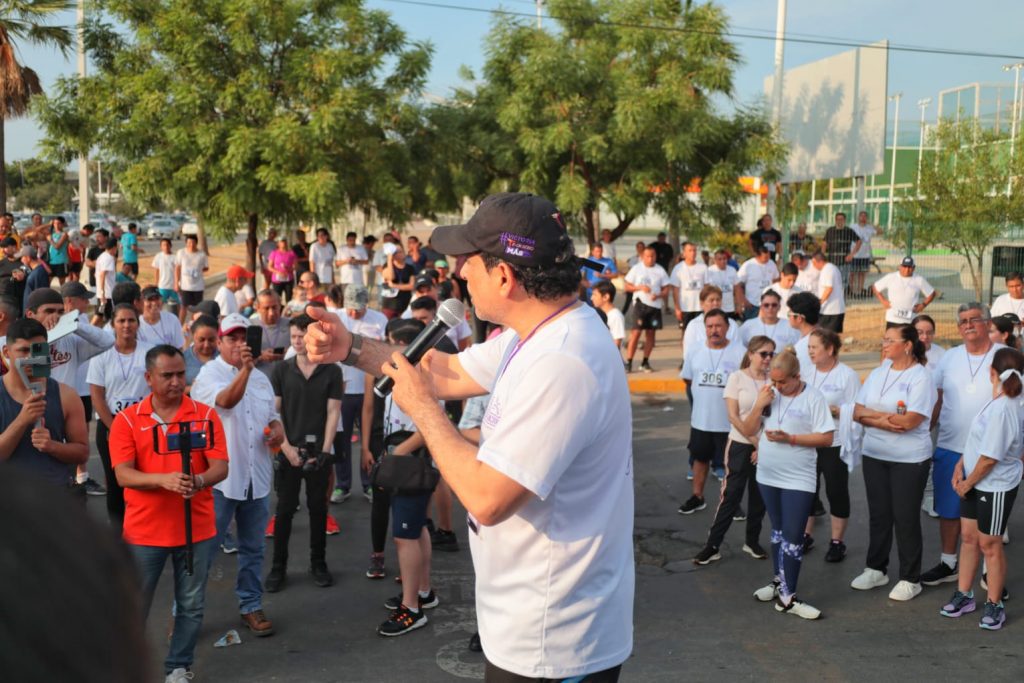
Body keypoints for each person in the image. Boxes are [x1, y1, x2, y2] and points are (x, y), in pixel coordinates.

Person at [306, 192, 634, 680]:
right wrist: (349, 347)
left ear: (504, 276)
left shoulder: (562, 362)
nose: (458, 273)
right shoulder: (537, 332)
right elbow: (444, 371)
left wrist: (422, 409)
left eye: (468, 260)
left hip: (555, 637)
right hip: (530, 620)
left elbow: (487, 499)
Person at [108, 345, 229, 682]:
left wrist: (199, 480)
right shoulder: (127, 420)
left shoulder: (205, 415)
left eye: (180, 374)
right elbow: (122, 474)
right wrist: (163, 480)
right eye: (167, 375)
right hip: (144, 533)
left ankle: (178, 666)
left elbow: (220, 466)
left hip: (196, 531)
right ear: (149, 378)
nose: (176, 382)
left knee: (191, 605)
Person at [191, 314, 284, 635]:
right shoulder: (209, 374)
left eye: (244, 337)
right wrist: (246, 369)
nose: (240, 344)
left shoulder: (261, 379)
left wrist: (277, 431)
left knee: (253, 550)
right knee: (203, 552)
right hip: (220, 482)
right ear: (219, 342)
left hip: (256, 478)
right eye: (232, 338)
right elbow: (226, 402)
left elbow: (272, 418)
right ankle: (186, 612)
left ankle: (251, 605)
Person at [742, 348, 835, 619]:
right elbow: (748, 430)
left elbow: (826, 438)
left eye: (782, 381)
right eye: (774, 380)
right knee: (778, 531)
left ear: (797, 376)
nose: (777, 386)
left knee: (794, 535)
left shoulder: (813, 397)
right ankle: (779, 582)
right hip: (768, 474)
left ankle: (787, 598)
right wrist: (759, 404)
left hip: (798, 477)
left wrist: (790, 439)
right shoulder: (769, 394)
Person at [851, 324, 937, 601]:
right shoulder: (879, 373)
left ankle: (911, 579)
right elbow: (856, 411)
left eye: (890, 340)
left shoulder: (921, 377)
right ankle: (876, 569)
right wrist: (886, 420)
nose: (884, 344)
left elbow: (910, 421)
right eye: (884, 339)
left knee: (905, 517)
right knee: (879, 515)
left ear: (907, 345)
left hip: (909, 459)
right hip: (875, 454)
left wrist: (873, 416)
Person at [940, 348, 1024, 630]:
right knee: (968, 538)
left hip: (994, 485)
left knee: (990, 544)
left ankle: (994, 604)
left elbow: (990, 457)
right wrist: (961, 464)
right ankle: (964, 595)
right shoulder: (997, 399)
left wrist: (967, 482)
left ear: (992, 373)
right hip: (976, 480)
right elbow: (977, 441)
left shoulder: (1006, 406)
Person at [924, 303, 1004, 589]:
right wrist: (925, 432)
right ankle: (948, 563)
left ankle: (988, 571)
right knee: (949, 510)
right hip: (950, 445)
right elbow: (937, 398)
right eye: (962, 321)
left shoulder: (1005, 356)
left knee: (986, 517)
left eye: (974, 319)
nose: (968, 325)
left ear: (988, 323)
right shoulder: (950, 357)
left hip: (991, 452)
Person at [267, 314, 342, 591]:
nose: (297, 342)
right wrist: (286, 448)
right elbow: (274, 413)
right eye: (294, 337)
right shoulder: (281, 370)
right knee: (284, 511)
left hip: (318, 452)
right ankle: (278, 567)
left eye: (302, 336)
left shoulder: (332, 371)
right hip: (288, 451)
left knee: (318, 509)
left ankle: (318, 563)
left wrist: (324, 451)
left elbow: (333, 412)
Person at [692, 335, 774, 565]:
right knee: (731, 495)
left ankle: (752, 541)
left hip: (766, 446)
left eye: (771, 354)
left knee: (759, 496)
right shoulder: (737, 378)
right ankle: (713, 545)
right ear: (751, 354)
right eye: (764, 354)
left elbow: (775, 417)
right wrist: (755, 442)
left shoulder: (774, 380)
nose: (768, 358)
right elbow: (733, 416)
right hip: (740, 443)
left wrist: (763, 444)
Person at [30, 285, 115, 495]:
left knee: (61, 483)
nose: (55, 316)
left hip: (62, 420)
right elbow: (34, 369)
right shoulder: (17, 343)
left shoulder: (71, 340)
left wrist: (72, 324)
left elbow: (108, 341)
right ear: (30, 315)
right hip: (30, 418)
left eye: (60, 312)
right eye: (49, 311)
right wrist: (44, 336)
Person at [0, 317, 89, 490]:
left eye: (37, 350)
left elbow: (82, 454)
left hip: (54, 495)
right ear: (6, 351)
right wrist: (22, 420)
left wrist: (52, 446)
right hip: (8, 498)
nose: (31, 357)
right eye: (23, 350)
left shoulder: (66, 395)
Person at [88, 304, 155, 534]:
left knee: (146, 478)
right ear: (113, 324)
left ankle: (144, 530)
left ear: (138, 323)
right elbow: (97, 395)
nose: (127, 325)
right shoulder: (101, 354)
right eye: (121, 321)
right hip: (111, 423)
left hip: (144, 423)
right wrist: (115, 427)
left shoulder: (150, 352)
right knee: (116, 481)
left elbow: (156, 389)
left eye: (131, 320)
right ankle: (117, 534)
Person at [679, 309, 746, 515]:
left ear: (727, 327)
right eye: (709, 326)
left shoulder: (740, 352)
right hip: (702, 420)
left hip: (729, 421)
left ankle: (731, 503)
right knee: (700, 459)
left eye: (718, 326)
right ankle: (697, 497)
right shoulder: (695, 350)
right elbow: (688, 378)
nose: (714, 330)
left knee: (730, 465)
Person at [803, 328, 861, 561]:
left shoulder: (847, 375)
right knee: (808, 489)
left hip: (834, 442)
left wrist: (837, 411)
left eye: (814, 347)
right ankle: (806, 535)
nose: (810, 352)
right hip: (808, 442)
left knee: (836, 491)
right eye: (808, 347)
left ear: (830, 349)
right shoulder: (806, 373)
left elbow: (856, 409)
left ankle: (837, 541)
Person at [331, 285, 387, 504]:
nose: (353, 313)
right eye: (350, 308)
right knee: (341, 440)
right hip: (342, 390)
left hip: (369, 390)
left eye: (358, 309)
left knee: (370, 440)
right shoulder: (336, 318)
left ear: (367, 305)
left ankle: (369, 483)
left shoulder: (379, 319)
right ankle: (342, 485)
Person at [623, 244, 670, 373]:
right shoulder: (637, 269)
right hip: (640, 304)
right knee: (636, 333)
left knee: (651, 334)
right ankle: (629, 362)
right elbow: (626, 286)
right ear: (643, 257)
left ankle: (645, 362)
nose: (650, 259)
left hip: (654, 306)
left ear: (656, 256)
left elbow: (666, 289)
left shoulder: (660, 270)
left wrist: (659, 295)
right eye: (648, 256)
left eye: (652, 256)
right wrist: (639, 287)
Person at [873, 257, 936, 327]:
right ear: (900, 266)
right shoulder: (891, 277)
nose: (907, 269)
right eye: (904, 266)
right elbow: (875, 287)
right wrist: (883, 301)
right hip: (892, 319)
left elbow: (932, 293)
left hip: (910, 319)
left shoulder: (919, 280)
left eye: (909, 267)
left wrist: (923, 305)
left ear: (914, 268)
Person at [681, 285, 740, 354]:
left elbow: (737, 349)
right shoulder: (693, 325)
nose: (715, 303)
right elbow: (688, 352)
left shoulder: (732, 324)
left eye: (718, 300)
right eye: (711, 300)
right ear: (702, 304)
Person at [670, 241, 708, 332]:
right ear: (684, 253)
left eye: (694, 250)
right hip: (685, 307)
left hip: (700, 307)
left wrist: (707, 305)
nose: (693, 253)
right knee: (686, 332)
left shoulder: (703, 267)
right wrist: (677, 308)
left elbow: (707, 288)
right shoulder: (678, 268)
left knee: (701, 332)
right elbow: (675, 290)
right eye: (690, 250)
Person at [254, 289, 290, 377]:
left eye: (274, 307)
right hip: (259, 380)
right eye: (266, 308)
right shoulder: (249, 326)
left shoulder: (291, 325)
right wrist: (260, 356)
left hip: (286, 379)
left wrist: (290, 353)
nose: (271, 313)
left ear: (280, 305)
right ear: (257, 308)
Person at [174, 235, 209, 323]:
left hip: (198, 286)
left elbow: (206, 267)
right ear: (186, 243)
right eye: (189, 242)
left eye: (193, 242)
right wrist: (176, 283)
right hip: (185, 286)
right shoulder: (181, 253)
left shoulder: (202, 254)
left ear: (196, 243)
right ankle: (179, 326)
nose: (191, 245)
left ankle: (193, 325)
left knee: (197, 308)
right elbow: (177, 268)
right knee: (183, 306)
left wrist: (197, 271)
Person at [823, 212, 861, 290]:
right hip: (831, 261)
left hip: (844, 261)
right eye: (838, 219)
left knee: (843, 282)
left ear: (845, 220)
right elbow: (824, 244)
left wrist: (852, 255)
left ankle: (842, 296)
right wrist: (822, 256)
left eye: (841, 219)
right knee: (830, 281)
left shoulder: (849, 231)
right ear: (835, 220)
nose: (839, 221)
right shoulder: (830, 230)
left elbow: (859, 241)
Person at [785, 291, 821, 376]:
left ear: (799, 318)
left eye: (789, 314)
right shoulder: (822, 336)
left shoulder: (804, 346)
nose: (788, 317)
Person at [811, 251, 846, 333]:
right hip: (834, 310)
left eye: (814, 263)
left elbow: (829, 288)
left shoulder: (827, 270)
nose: (813, 266)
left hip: (830, 311)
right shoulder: (832, 268)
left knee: (825, 335)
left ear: (819, 261)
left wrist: (819, 303)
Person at [381, 243, 415, 319]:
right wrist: (389, 260)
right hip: (389, 304)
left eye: (401, 251)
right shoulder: (387, 266)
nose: (400, 254)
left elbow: (411, 286)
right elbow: (391, 277)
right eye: (396, 252)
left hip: (404, 303)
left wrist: (394, 285)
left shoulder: (410, 268)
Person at [183, 315, 219, 388]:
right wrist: (194, 388)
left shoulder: (225, 357)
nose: (206, 345)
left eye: (211, 340)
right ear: (193, 336)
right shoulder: (183, 359)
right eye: (201, 340)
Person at [706, 248, 742, 318]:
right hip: (715, 307)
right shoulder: (709, 271)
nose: (722, 261)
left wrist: (738, 305)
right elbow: (707, 290)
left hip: (729, 307)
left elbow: (737, 289)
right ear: (715, 260)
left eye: (724, 259)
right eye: (720, 259)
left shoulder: (732, 270)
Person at [591, 280, 625, 351]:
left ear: (606, 297)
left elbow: (617, 343)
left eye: (595, 295)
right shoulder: (597, 313)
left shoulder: (616, 316)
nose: (592, 298)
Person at [850, 211, 877, 296]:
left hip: (865, 255)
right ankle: (851, 290)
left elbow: (880, 231)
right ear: (858, 217)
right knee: (852, 273)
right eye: (861, 216)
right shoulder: (853, 226)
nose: (863, 218)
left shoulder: (870, 228)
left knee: (862, 273)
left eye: (865, 216)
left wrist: (872, 224)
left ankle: (860, 289)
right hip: (854, 254)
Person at [151, 238, 180, 307]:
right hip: (162, 286)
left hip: (173, 286)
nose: (166, 247)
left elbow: (178, 271)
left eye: (167, 245)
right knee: (160, 304)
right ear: (161, 247)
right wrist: (156, 283)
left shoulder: (175, 257)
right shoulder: (158, 256)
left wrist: (177, 284)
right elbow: (157, 271)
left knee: (178, 304)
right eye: (163, 245)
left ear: (170, 245)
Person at [266, 237, 297, 301]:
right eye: (281, 242)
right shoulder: (274, 253)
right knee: (277, 297)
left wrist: (289, 269)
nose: (283, 243)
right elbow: (269, 267)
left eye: (284, 241)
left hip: (288, 279)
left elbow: (296, 266)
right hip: (277, 280)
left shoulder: (291, 253)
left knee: (289, 297)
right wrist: (278, 272)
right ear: (278, 243)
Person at [20, 246, 50, 313]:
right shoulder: (36, 271)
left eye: (22, 257)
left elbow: (39, 296)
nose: (21, 260)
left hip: (33, 313)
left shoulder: (38, 273)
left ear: (28, 258)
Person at [95, 239, 118, 322]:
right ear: (114, 247)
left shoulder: (101, 256)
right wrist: (103, 293)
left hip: (102, 292)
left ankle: (89, 328)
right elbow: (102, 274)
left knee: (99, 315)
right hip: (107, 294)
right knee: (109, 317)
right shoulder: (109, 258)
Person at [620, 241, 644, 314]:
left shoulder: (645, 259)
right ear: (636, 248)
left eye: (641, 247)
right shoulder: (633, 259)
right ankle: (622, 314)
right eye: (639, 247)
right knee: (628, 300)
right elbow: (630, 271)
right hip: (633, 282)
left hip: (641, 282)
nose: (640, 248)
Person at [47, 216, 70, 286]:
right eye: (54, 223)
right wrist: (48, 225)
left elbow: (57, 246)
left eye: (59, 223)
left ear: (62, 224)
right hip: (51, 261)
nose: (56, 225)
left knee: (62, 283)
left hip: (61, 261)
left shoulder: (64, 234)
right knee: (47, 281)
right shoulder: (52, 234)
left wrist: (50, 240)